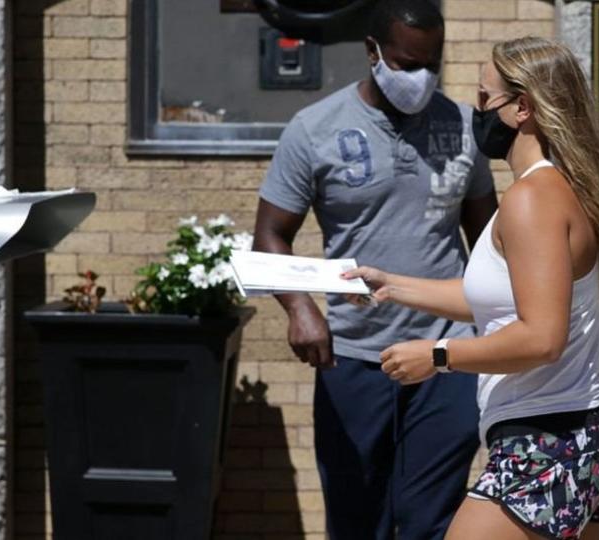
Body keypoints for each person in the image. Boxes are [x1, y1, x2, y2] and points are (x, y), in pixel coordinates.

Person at [342, 37, 599, 540]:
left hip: (546, 445)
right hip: (579, 440)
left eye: (484, 98)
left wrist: (437, 355)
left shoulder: (532, 200)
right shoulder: (555, 189)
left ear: (522, 108)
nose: (475, 111)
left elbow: (541, 338)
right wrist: (392, 286)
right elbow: (498, 300)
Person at [252, 0, 498, 537]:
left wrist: (499, 327)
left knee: (429, 517)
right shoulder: (314, 129)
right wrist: (300, 309)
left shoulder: (462, 129)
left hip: (445, 357)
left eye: (431, 64)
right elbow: (271, 234)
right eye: (407, 65)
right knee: (358, 515)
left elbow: (489, 242)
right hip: (355, 356)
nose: (421, 78)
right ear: (372, 53)